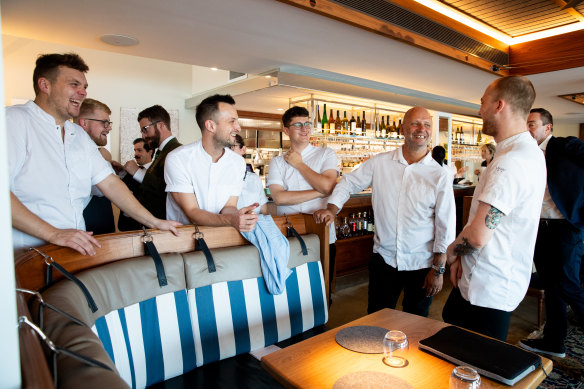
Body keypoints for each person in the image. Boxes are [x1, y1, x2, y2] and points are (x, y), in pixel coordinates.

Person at [8, 53, 180, 255]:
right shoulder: (13, 121)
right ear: (45, 85)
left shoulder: (78, 135)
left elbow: (109, 183)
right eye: (74, 84)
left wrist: (154, 222)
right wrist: (54, 234)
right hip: (24, 254)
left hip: (74, 250)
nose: (82, 93)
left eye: (84, 87)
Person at [314, 106, 456, 317]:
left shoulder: (440, 175)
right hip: (384, 260)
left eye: (427, 125)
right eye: (415, 123)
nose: (421, 129)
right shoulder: (379, 163)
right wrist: (332, 208)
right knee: (377, 320)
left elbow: (445, 225)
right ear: (402, 128)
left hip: (421, 264)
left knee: (416, 322)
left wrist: (438, 270)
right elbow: (349, 182)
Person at [442, 76, 546, 341]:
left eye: (482, 102)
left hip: (489, 285)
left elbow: (477, 235)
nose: (479, 110)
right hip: (491, 277)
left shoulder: (509, 161)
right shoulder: (529, 152)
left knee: (474, 365)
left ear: (499, 105)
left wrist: (451, 254)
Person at [519, 108, 584, 358]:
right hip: (540, 228)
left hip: (566, 227)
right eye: (526, 124)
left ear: (548, 128)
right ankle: (553, 342)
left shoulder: (565, 145)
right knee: (552, 286)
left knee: (568, 285)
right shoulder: (526, 155)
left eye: (532, 124)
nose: (527, 129)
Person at [267, 106, 338, 294]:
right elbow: (279, 198)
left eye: (307, 123)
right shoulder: (277, 162)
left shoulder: (325, 154)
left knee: (322, 289)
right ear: (286, 130)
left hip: (321, 230)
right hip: (288, 233)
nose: (305, 128)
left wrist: (299, 164)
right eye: (298, 124)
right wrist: (320, 191)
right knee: (293, 290)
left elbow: (329, 186)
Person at [164, 94, 258, 231]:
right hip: (184, 241)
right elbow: (192, 212)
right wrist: (231, 220)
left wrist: (240, 216)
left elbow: (229, 207)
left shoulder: (237, 162)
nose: (238, 128)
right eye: (232, 121)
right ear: (210, 126)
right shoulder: (178, 159)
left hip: (219, 238)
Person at [121, 105, 182, 230]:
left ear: (160, 125)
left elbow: (170, 191)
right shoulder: (162, 152)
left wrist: (137, 172)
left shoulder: (177, 151)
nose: (143, 136)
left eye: (145, 129)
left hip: (167, 226)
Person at [74, 98, 118, 234]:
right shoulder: (76, 151)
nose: (109, 127)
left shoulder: (91, 150)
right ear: (84, 123)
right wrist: (105, 160)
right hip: (89, 227)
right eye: (105, 122)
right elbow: (101, 189)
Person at [118, 138, 154, 231]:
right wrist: (121, 171)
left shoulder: (156, 173)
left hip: (146, 227)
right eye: (135, 150)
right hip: (126, 226)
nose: (135, 154)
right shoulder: (130, 171)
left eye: (139, 150)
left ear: (150, 151)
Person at [231, 134, 269, 214]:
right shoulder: (217, 179)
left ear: (243, 150)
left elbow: (263, 210)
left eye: (231, 147)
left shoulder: (254, 178)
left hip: (255, 223)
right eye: (222, 148)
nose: (226, 152)